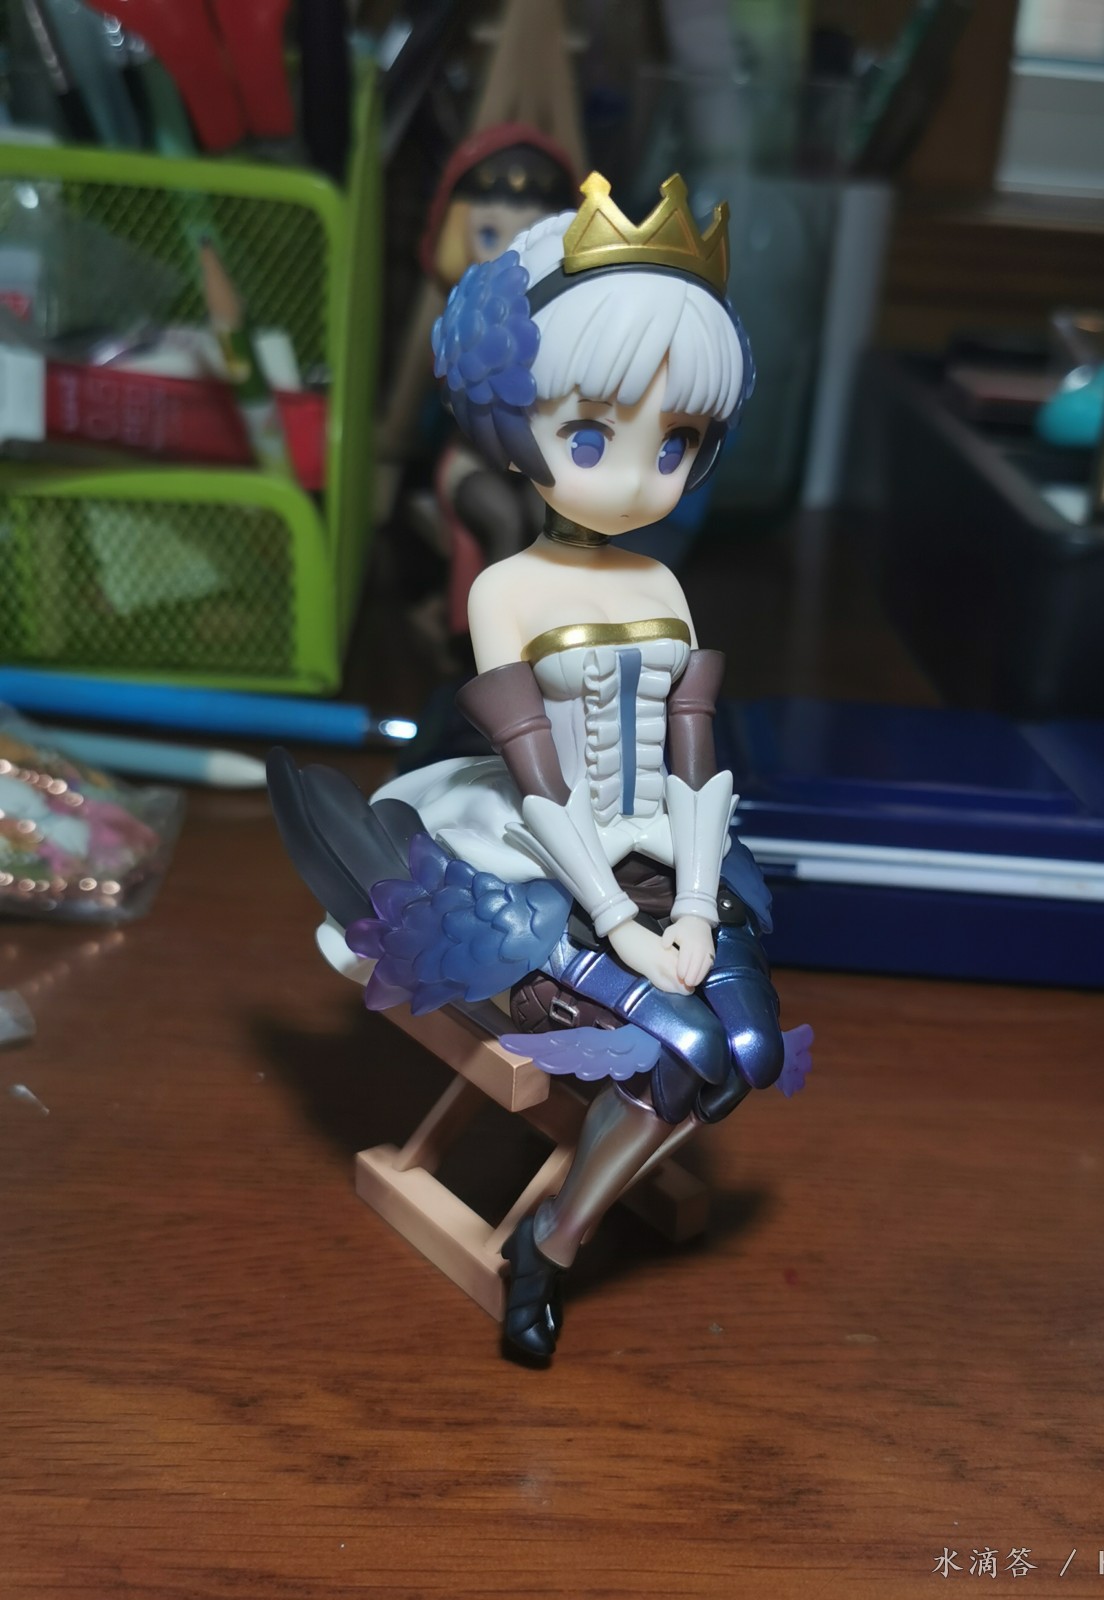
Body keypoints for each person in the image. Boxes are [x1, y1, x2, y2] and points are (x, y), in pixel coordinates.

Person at [269, 172, 810, 1361]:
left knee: (747, 1051)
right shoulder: (507, 592)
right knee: (679, 1049)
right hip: (536, 859)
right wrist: (626, 930)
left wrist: (698, 911)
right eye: (590, 435)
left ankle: (569, 1209)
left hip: (665, 851)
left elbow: (696, 762)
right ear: (516, 423)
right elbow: (541, 784)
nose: (635, 472)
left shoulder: (662, 584)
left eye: (677, 440)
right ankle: (550, 1248)